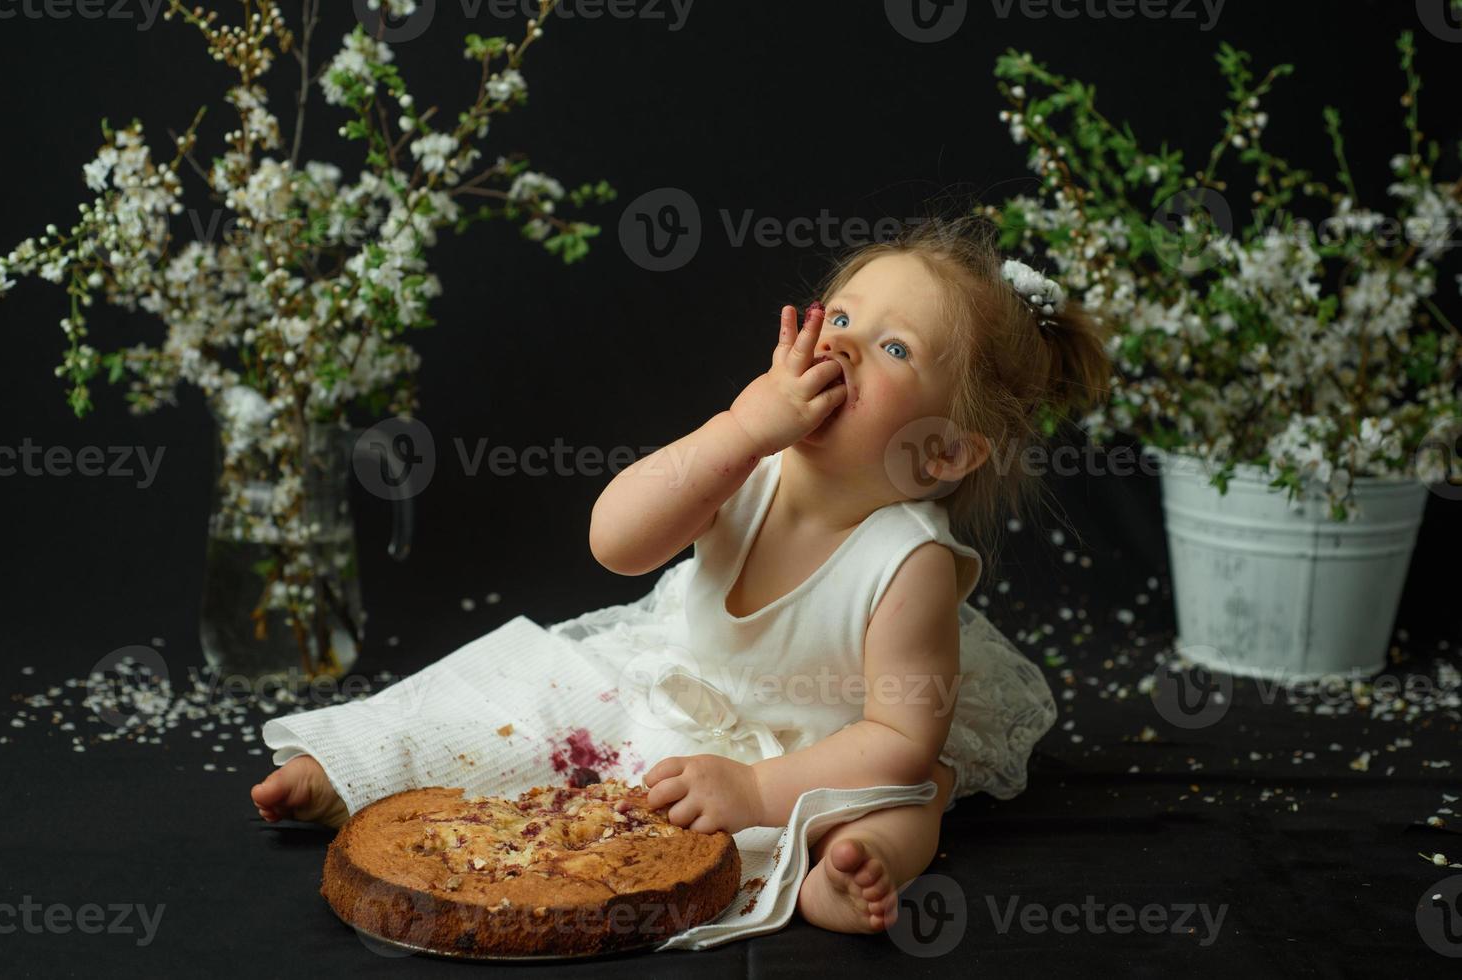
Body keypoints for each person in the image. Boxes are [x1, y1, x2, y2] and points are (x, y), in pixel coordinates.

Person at [253, 212, 1112, 934]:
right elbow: (614, 542)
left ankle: (851, 875)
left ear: (946, 450)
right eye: (840, 318)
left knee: (908, 795)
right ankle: (359, 767)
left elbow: (896, 738)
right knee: (525, 679)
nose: (843, 348)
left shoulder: (907, 564)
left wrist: (756, 789)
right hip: (689, 677)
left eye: (894, 347)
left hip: (825, 742)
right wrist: (737, 433)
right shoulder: (743, 467)